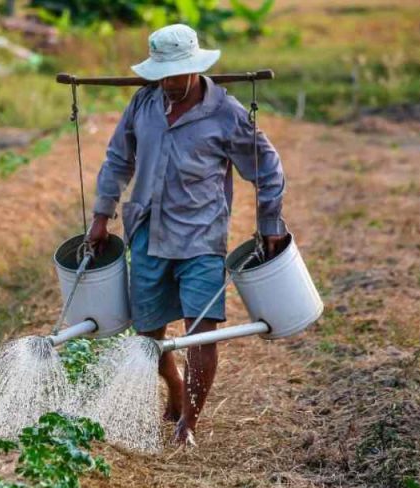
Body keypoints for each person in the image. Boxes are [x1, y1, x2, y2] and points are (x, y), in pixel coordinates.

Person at [87, 23, 288, 446]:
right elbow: (117, 160)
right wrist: (101, 215)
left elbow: (267, 169)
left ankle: (188, 425)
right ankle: (175, 387)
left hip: (201, 238)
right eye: (163, 75)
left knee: (202, 330)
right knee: (148, 335)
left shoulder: (226, 114)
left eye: (177, 75)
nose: (170, 84)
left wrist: (270, 224)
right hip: (147, 233)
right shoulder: (143, 104)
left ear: (196, 69)